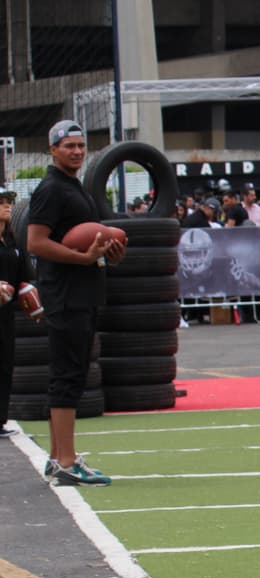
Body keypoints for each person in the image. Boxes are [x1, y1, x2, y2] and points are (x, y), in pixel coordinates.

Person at [25, 119, 125, 485]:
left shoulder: (75, 188)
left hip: (82, 293)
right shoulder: (51, 189)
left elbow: (86, 242)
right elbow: (36, 242)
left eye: (81, 146)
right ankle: (66, 461)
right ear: (53, 149)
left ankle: (57, 458)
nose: (77, 151)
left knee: (73, 374)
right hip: (65, 295)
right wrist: (84, 259)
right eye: (69, 146)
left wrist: (105, 254)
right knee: (67, 376)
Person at [0, 187, 24, 437]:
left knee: (5, 364)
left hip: (6, 314)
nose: (7, 206)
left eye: (8, 202)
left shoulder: (11, 241)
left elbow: (22, 278)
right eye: (1, 202)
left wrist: (28, 292)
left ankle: (0, 420)